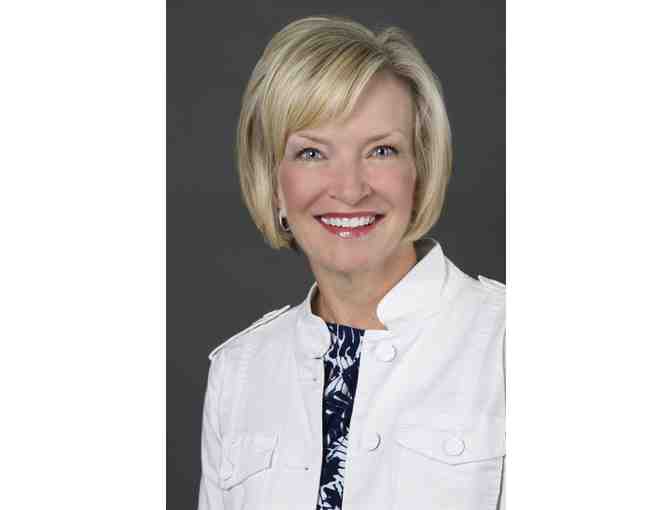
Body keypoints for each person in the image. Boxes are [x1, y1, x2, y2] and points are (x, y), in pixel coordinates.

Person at [198, 15, 505, 510]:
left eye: (381, 150)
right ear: (274, 184)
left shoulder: (507, 344)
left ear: (420, 170)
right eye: (312, 153)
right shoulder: (238, 373)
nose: (349, 188)